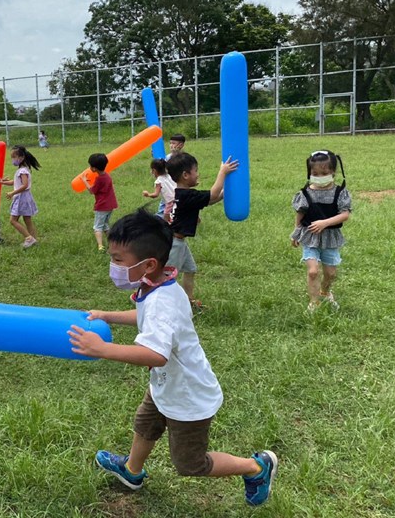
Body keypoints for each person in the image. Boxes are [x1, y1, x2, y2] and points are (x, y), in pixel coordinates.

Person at [67, 209, 277, 506]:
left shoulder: (162, 301)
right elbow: (145, 316)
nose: (113, 266)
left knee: (190, 464)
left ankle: (256, 467)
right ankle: (132, 471)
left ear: (148, 263)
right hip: (168, 385)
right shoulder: (158, 285)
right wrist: (108, 316)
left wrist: (101, 349)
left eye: (117, 260)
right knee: (146, 424)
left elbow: (154, 354)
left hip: (188, 397)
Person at [166, 152, 238, 307]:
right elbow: (212, 194)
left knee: (190, 269)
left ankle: (188, 300)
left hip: (178, 241)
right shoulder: (187, 195)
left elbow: (210, 200)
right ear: (185, 175)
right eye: (195, 171)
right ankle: (153, 297)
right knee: (166, 277)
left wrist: (225, 194)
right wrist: (222, 172)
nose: (198, 174)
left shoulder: (183, 193)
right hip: (174, 244)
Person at [290, 150, 351, 313]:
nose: (319, 176)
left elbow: (345, 215)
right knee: (313, 271)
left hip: (330, 237)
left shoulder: (340, 193)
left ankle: (325, 291)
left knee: (331, 273)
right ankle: (314, 302)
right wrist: (296, 232)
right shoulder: (305, 193)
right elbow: (300, 213)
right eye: (315, 173)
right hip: (310, 236)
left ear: (333, 172)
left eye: (324, 173)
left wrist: (325, 223)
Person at [1, 145, 41, 248]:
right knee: (28, 221)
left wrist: (12, 193)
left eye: (14, 157)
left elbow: (24, 185)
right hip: (25, 197)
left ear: (21, 157)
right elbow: (16, 182)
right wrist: (3, 182)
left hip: (21, 198)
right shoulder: (23, 169)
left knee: (13, 220)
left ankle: (29, 238)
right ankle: (34, 240)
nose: (13, 159)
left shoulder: (22, 171)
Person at [81, 153, 118, 252]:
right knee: (105, 225)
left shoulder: (99, 179)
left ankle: (100, 246)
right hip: (110, 206)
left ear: (94, 168)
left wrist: (84, 181)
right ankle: (112, 243)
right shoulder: (107, 176)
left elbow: (92, 191)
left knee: (97, 227)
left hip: (102, 206)